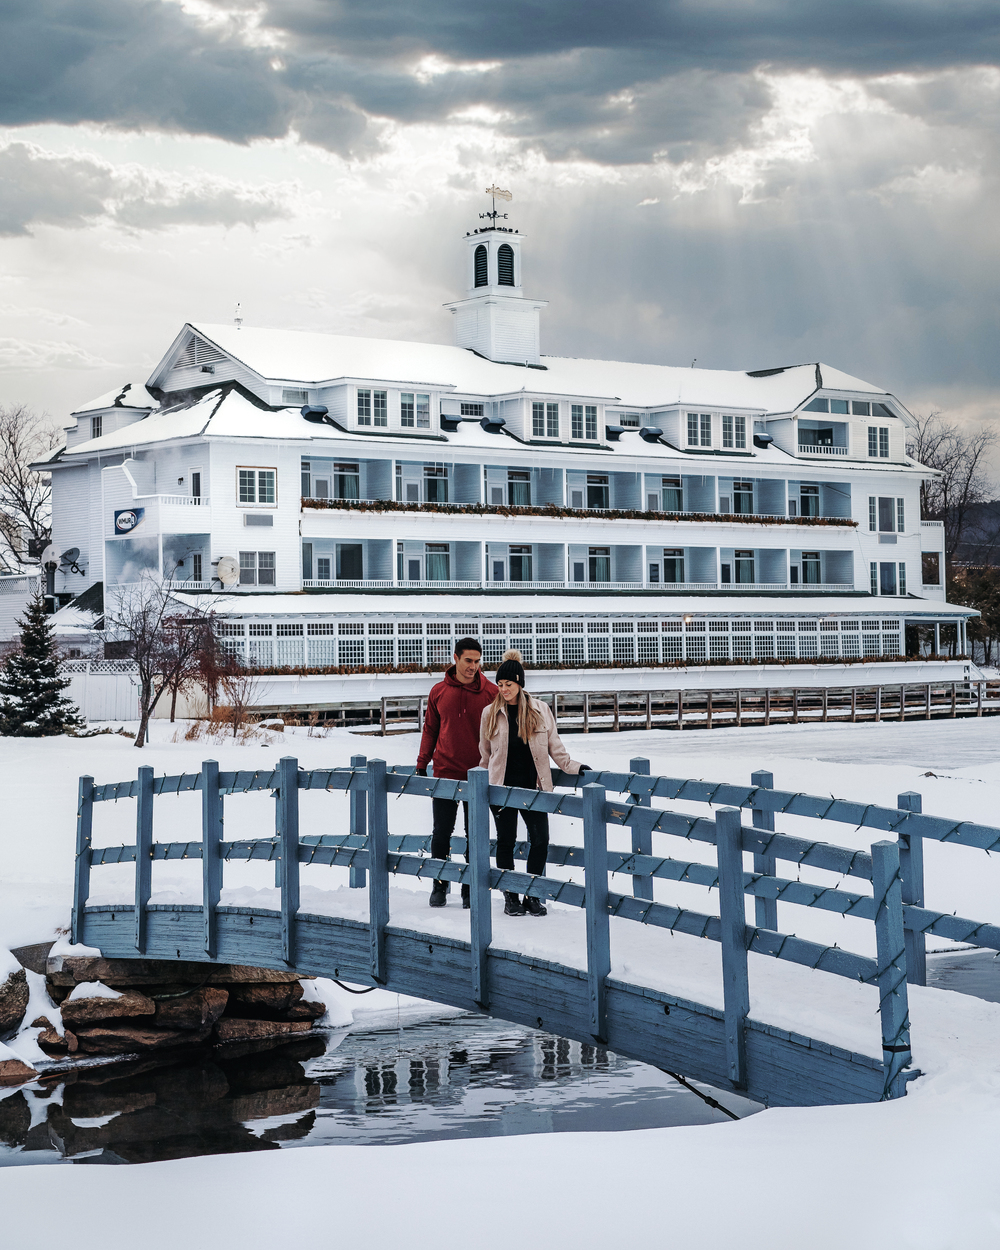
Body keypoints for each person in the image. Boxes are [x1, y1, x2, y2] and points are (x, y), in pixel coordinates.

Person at [479, 650, 589, 917]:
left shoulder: (541, 710)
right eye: (500, 685)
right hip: (501, 789)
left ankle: (533, 894)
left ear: (520, 683)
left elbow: (555, 747)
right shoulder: (489, 713)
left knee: (540, 841)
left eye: (509, 685)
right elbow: (485, 754)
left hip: (534, 788)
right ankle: (511, 896)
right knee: (506, 841)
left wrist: (573, 767)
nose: (503, 690)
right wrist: (480, 785)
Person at [416, 637, 498, 908]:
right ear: (455, 658)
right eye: (468, 661)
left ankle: (469, 887)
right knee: (441, 832)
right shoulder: (439, 691)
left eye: (477, 661)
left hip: (478, 774)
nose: (473, 666)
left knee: (474, 833)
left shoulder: (491, 693)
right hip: (445, 771)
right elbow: (430, 729)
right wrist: (421, 763)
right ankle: (439, 885)